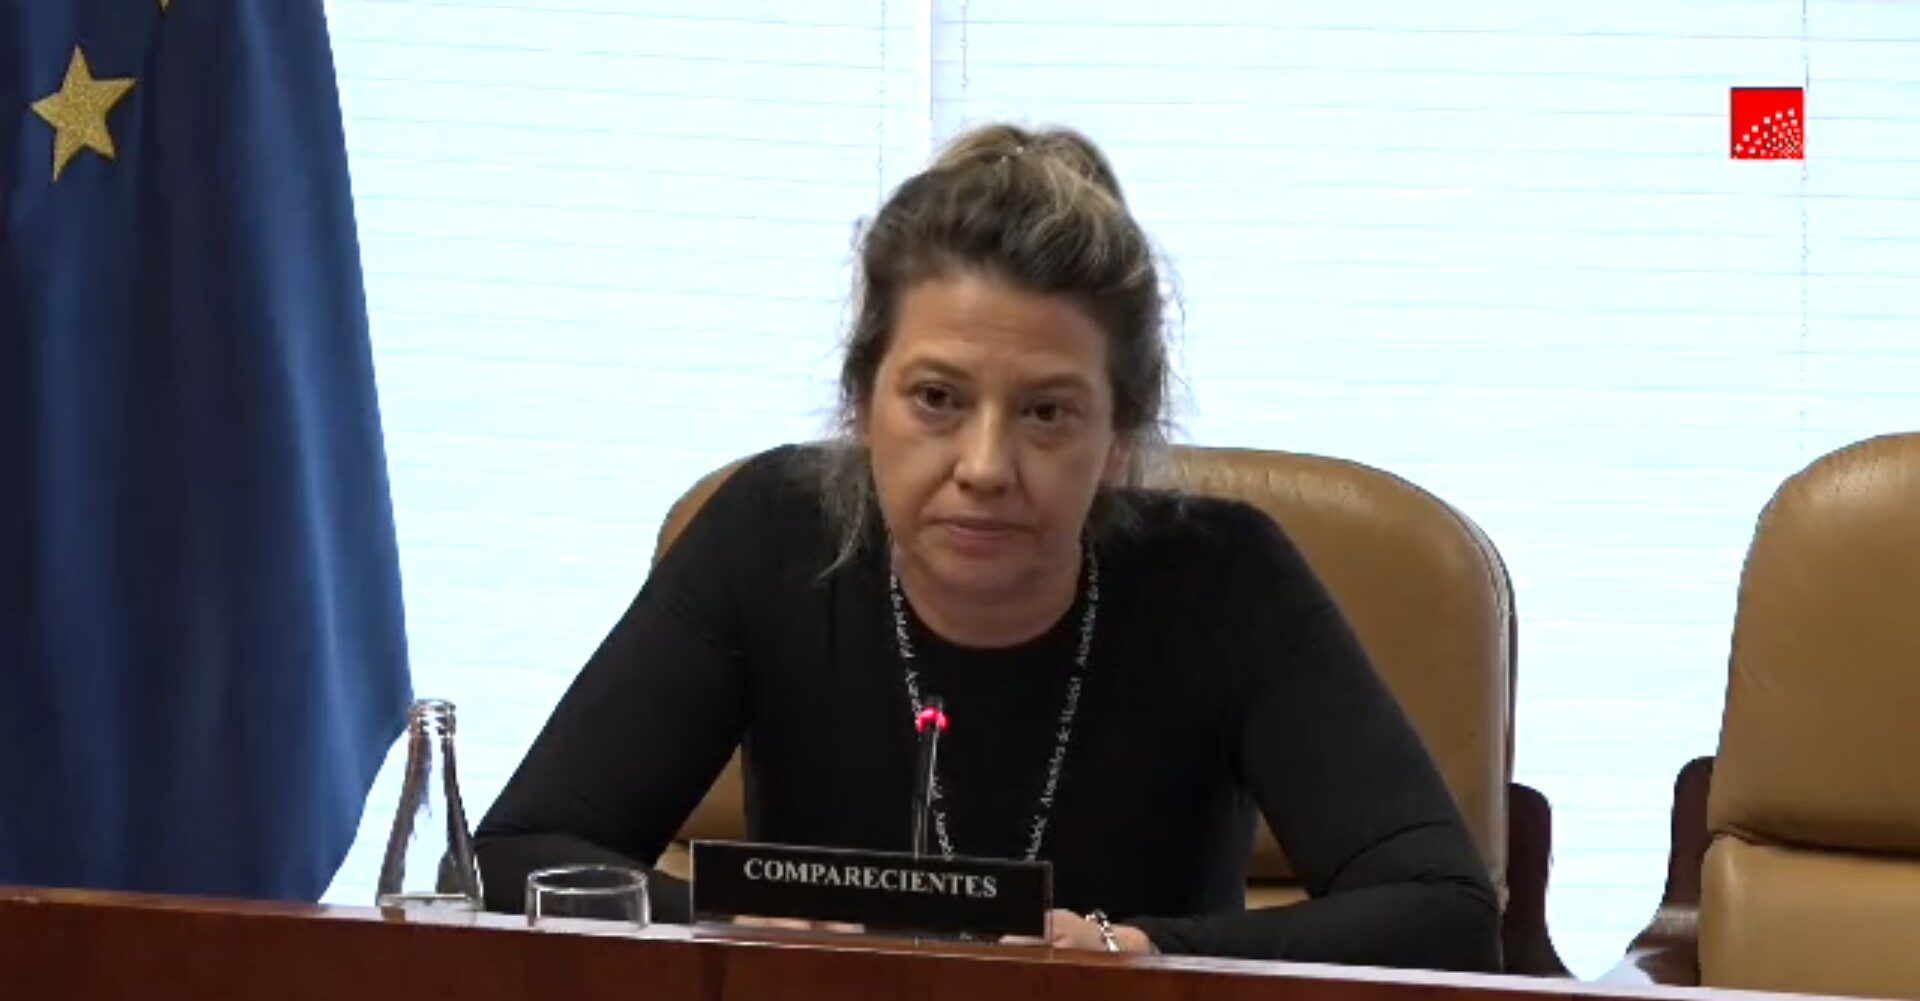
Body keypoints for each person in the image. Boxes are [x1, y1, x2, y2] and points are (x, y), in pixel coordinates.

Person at [474, 123, 1500, 970]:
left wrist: (1144, 950)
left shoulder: (1225, 577)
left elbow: (1445, 912)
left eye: (1047, 412)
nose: (984, 464)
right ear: (862, 401)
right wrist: (731, 926)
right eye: (937, 397)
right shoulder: (768, 534)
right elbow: (518, 854)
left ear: (1118, 438)